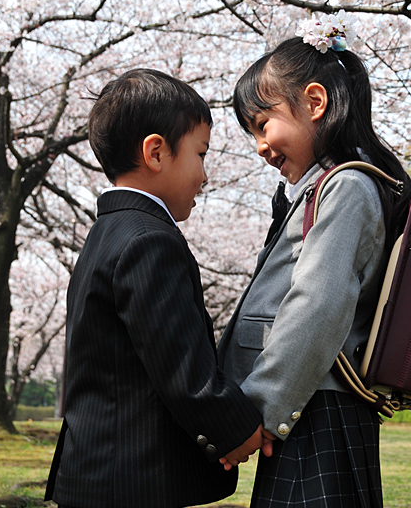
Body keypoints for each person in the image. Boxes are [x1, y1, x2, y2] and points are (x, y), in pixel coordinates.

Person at [45, 68, 272, 508]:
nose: (205, 176)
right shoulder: (149, 240)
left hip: (99, 470)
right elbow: (181, 365)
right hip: (131, 479)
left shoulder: (107, 232)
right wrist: (237, 428)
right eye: (201, 155)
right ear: (155, 152)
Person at [217, 14, 411, 507]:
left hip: (316, 412)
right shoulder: (324, 188)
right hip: (307, 407)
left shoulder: (347, 187)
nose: (260, 147)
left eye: (263, 125)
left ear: (315, 102)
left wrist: (260, 409)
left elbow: (316, 307)